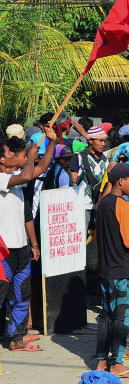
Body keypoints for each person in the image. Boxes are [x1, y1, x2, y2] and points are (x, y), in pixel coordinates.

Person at [0, 127, 56, 352]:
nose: (23, 157)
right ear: (4, 158)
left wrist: (52, 141)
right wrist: (31, 156)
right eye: (17, 153)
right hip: (2, 251)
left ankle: (17, 338)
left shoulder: (17, 178)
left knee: (22, 297)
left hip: (21, 248)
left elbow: (41, 167)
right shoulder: (3, 178)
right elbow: (27, 172)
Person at [94, 163, 129, 378]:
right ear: (120, 181)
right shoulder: (124, 207)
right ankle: (117, 363)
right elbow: (128, 241)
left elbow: (98, 237)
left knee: (106, 317)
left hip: (106, 270)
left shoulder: (103, 204)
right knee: (123, 318)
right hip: (122, 271)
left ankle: (101, 361)